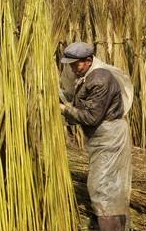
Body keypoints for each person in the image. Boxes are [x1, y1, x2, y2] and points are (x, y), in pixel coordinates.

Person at [59, 42, 134, 231]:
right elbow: (80, 101)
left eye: (77, 64)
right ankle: (114, 225)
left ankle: (111, 228)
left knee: (101, 187)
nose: (73, 68)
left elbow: (91, 117)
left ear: (89, 60)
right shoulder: (85, 75)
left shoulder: (100, 78)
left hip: (109, 136)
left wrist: (63, 109)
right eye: (71, 64)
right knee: (110, 184)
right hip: (101, 137)